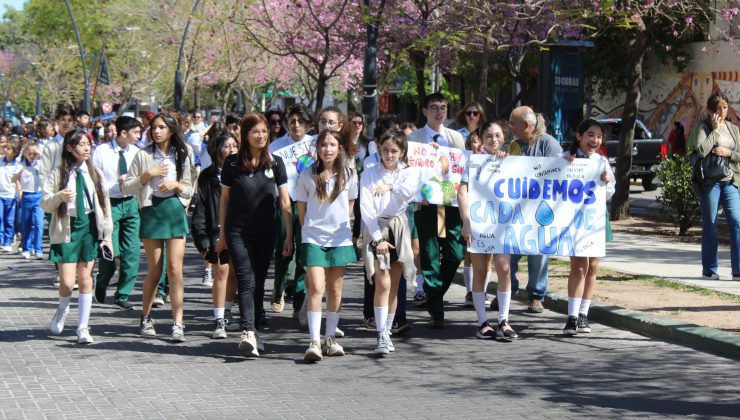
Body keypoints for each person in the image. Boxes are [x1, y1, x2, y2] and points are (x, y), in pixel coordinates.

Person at [217, 114, 292, 357]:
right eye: (255, 131)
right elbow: (225, 201)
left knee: (259, 282)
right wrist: (222, 235)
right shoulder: (231, 163)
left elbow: (284, 202)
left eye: (264, 131)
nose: (260, 136)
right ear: (245, 135)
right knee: (245, 280)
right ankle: (247, 332)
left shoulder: (276, 163)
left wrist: (289, 235)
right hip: (238, 232)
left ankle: (255, 332)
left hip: (267, 231)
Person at [122, 113, 193, 342]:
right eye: (154, 127)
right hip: (151, 212)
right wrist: (147, 175)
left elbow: (191, 189)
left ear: (171, 130)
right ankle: (146, 316)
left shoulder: (184, 153)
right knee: (155, 270)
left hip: (174, 211)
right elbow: (127, 188)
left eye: (162, 127)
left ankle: (178, 323)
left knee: (175, 269)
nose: (157, 131)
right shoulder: (143, 155)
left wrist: (177, 186)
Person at [41, 128, 113, 344]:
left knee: (84, 279)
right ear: (70, 148)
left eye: (88, 144)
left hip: (89, 227)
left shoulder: (95, 173)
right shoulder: (58, 173)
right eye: (81, 145)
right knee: (66, 280)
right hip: (66, 228)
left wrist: (107, 235)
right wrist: (59, 196)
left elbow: (105, 205)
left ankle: (83, 327)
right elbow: (44, 202)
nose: (86, 148)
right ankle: (62, 310)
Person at [297, 129, 357, 363]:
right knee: (316, 288)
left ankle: (329, 337)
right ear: (317, 149)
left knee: (335, 290)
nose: (328, 149)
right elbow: (301, 207)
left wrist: (340, 228)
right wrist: (309, 229)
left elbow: (350, 203)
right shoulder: (307, 175)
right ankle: (313, 341)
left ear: (339, 148)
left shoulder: (350, 175)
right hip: (313, 238)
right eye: (323, 145)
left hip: (339, 238)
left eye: (332, 144)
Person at [408, 93, 465, 328]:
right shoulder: (415, 138)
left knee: (455, 253)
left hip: (450, 203)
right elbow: (409, 172)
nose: (439, 112)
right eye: (434, 108)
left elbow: (462, 170)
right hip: (427, 204)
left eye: (443, 107)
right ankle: (436, 309)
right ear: (424, 111)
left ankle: (434, 293)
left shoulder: (455, 138)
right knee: (430, 254)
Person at [459, 121, 519, 340]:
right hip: (479, 224)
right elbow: (462, 192)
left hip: (503, 225)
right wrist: (466, 221)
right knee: (481, 271)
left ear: (504, 137)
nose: (494, 140)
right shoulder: (473, 162)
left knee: (504, 268)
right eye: (489, 136)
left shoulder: (511, 161)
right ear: (481, 139)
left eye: (497, 135)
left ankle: (503, 320)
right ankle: (483, 322)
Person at [360, 129, 418, 355]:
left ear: (402, 152)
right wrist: (377, 238)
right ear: (378, 149)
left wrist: (391, 186)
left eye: (394, 151)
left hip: (399, 226)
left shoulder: (407, 172)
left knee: (394, 284)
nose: (389, 155)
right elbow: (366, 207)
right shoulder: (370, 171)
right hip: (377, 227)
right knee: (381, 283)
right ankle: (380, 334)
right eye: (385, 150)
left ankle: (387, 330)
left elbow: (409, 192)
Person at [561, 119, 616, 335]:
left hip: (596, 218)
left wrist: (607, 180)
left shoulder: (602, 161)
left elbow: (610, 191)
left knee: (593, 266)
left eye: (599, 136)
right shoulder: (565, 158)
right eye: (590, 135)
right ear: (579, 136)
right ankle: (572, 317)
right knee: (579, 266)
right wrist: (564, 165)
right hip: (574, 220)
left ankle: (583, 314)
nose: (595, 140)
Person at [506, 106, 563, 313]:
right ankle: (507, 290)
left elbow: (559, 173)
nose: (510, 127)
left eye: (513, 123)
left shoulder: (548, 144)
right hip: (516, 212)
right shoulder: (514, 145)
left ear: (526, 126)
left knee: (538, 254)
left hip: (540, 212)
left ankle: (536, 295)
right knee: (508, 254)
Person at [192, 130, 240, 339]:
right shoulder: (207, 176)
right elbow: (200, 209)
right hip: (216, 231)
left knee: (235, 275)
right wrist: (202, 241)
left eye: (234, 146)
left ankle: (228, 311)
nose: (231, 150)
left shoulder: (242, 171)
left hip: (239, 230)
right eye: (227, 146)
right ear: (217, 149)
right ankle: (218, 320)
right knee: (221, 272)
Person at [91, 116, 142, 310]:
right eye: (135, 132)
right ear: (123, 133)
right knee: (110, 253)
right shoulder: (102, 151)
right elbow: (95, 179)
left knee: (132, 251)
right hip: (109, 203)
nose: (139, 136)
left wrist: (132, 182)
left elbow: (142, 179)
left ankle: (123, 294)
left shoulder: (137, 152)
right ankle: (102, 282)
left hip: (131, 203)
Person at [268, 104, 313, 316]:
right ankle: (279, 290)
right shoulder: (276, 146)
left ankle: (300, 300)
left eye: (300, 121)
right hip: (284, 203)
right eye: (292, 121)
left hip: (309, 204)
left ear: (308, 123)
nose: (296, 125)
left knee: (305, 252)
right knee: (284, 249)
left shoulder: (315, 144)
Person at [691, 92, 740, 281]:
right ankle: (709, 269)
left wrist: (729, 152)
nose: (722, 111)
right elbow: (702, 150)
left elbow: (739, 154)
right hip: (710, 182)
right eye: (718, 108)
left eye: (725, 107)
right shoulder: (702, 126)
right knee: (710, 224)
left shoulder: (734, 129)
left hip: (730, 181)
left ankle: (738, 270)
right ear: (710, 111)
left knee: (736, 222)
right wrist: (716, 131)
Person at [14, 142, 43, 259]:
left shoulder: (41, 164)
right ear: (25, 154)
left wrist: (40, 156)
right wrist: (19, 190)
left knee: (38, 223)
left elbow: (47, 173)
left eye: (34, 153)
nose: (32, 156)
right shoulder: (21, 165)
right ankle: (27, 248)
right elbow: (14, 179)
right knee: (26, 223)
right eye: (29, 153)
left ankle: (38, 249)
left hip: (38, 195)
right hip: (26, 196)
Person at [0, 137, 21, 252]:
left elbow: (18, 181)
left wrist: (19, 194)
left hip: (11, 196)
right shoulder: (0, 160)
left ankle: (7, 241)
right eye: (6, 147)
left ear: (15, 153)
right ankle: (1, 240)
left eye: (8, 148)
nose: (5, 149)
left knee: (9, 220)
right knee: (0, 218)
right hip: (0, 195)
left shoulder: (18, 165)